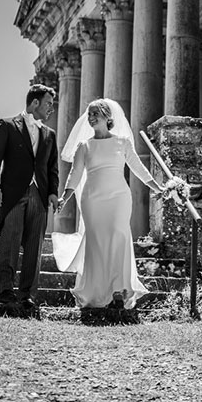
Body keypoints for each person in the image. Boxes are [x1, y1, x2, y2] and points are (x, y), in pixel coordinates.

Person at [52, 98, 163, 310]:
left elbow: (138, 168)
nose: (91, 118)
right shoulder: (84, 146)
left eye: (95, 114)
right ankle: (96, 292)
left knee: (118, 238)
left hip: (119, 198)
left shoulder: (122, 142)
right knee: (97, 241)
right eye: (89, 114)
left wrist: (157, 187)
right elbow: (74, 176)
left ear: (107, 116)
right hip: (92, 199)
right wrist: (64, 198)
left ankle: (119, 291)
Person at [0, 84, 59, 314]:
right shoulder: (7, 125)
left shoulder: (50, 134)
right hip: (14, 194)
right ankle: (5, 295)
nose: (51, 109)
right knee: (10, 244)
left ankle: (28, 296)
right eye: (48, 103)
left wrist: (53, 192)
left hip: (40, 195)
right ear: (35, 102)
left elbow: (52, 167)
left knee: (35, 248)